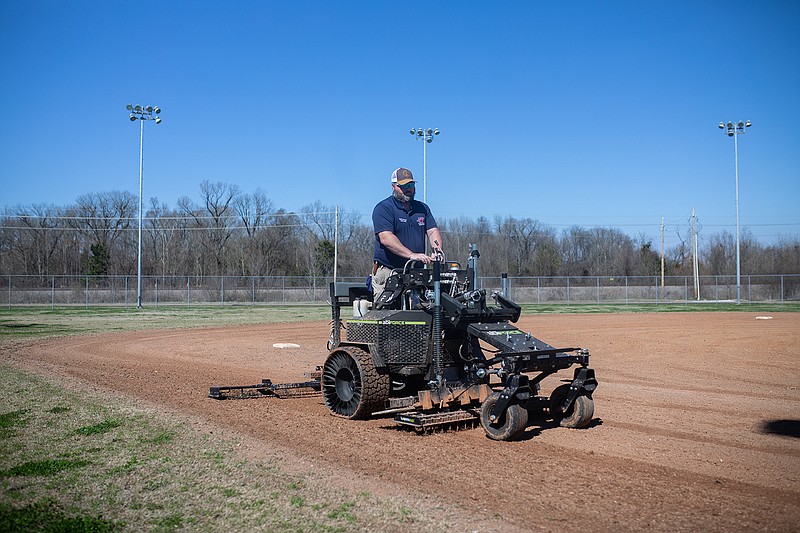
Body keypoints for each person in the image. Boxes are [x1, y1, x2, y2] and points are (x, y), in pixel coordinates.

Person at [371, 167, 443, 299]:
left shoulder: (422, 208)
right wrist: (411, 255)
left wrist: (437, 250)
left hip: (416, 272)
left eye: (411, 185)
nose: (408, 189)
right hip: (389, 272)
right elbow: (386, 238)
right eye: (403, 186)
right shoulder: (383, 208)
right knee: (388, 315)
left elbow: (432, 231)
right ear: (393, 187)